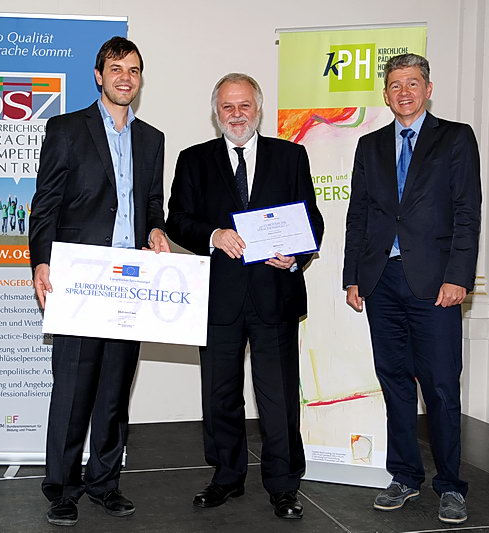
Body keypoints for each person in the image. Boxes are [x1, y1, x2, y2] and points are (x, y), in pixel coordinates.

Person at [166, 73, 323, 520]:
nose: (237, 114)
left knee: (278, 397)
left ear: (258, 108)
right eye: (228, 107)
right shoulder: (193, 159)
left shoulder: (290, 156)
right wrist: (213, 235)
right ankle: (226, 476)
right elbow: (177, 219)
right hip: (218, 298)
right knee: (220, 396)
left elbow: (311, 219)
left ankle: (284, 485)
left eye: (244, 106)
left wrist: (295, 255)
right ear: (216, 113)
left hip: (275, 294)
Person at [28, 36, 170, 527]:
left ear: (140, 78)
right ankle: (62, 489)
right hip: (79, 278)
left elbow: (152, 205)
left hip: (130, 282)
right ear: (98, 75)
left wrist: (156, 229)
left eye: (133, 70)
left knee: (114, 391)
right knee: (72, 390)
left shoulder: (152, 139)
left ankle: (105, 483)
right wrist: (41, 262)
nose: (125, 78)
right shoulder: (66, 129)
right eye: (116, 69)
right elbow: (46, 203)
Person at [342, 53, 481, 525]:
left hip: (435, 284)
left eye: (413, 83)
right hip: (381, 281)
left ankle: (451, 485)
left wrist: (458, 276)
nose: (404, 92)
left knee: (440, 386)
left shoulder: (456, 138)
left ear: (428, 89)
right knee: (395, 382)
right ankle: (404, 476)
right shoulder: (370, 145)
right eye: (396, 85)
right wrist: (352, 275)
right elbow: (359, 215)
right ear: (386, 94)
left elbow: (467, 213)